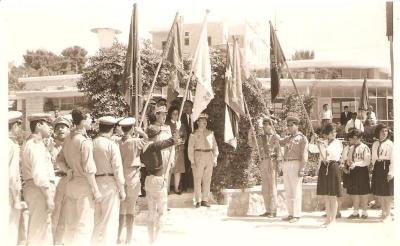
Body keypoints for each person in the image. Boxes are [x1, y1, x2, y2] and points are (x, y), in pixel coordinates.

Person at [56, 108, 102, 245]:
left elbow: (59, 160)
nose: (91, 121)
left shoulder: (68, 139)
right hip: (84, 185)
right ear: (82, 121)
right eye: (89, 118)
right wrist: (96, 190)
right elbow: (89, 170)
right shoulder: (84, 141)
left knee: (71, 225)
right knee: (84, 225)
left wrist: (68, 170)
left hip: (71, 184)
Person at [140, 125, 180, 244]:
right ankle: (156, 241)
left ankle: (151, 240)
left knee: (151, 213)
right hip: (158, 180)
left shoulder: (143, 149)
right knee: (162, 212)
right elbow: (174, 140)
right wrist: (177, 128)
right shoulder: (155, 146)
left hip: (148, 180)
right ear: (156, 136)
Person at [21, 113, 56, 245]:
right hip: (39, 191)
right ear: (39, 125)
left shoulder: (31, 143)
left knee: (41, 229)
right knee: (39, 231)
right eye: (48, 124)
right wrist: (48, 197)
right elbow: (39, 174)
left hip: (35, 189)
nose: (50, 128)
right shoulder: (35, 145)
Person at [91, 116, 126, 245]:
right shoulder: (111, 145)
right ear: (112, 128)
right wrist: (122, 190)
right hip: (109, 182)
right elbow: (117, 169)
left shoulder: (91, 143)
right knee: (110, 220)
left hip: (94, 183)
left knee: (96, 220)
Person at [272, 114, 308, 223]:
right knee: (288, 190)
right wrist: (274, 133)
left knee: (296, 190)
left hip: (296, 163)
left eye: (291, 125)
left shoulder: (302, 138)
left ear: (297, 126)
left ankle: (296, 215)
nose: (289, 127)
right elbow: (280, 142)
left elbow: (304, 155)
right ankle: (290, 213)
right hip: (286, 164)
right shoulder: (288, 138)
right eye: (288, 125)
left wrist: (302, 168)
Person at [117, 117, 147, 244]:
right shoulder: (135, 141)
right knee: (130, 209)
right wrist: (142, 132)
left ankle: (118, 236)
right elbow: (148, 141)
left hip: (120, 176)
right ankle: (128, 238)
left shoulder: (117, 141)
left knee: (121, 209)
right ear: (132, 128)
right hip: (132, 175)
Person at [309, 123, 343, 227]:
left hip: (333, 167)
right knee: (327, 196)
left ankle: (333, 220)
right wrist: (313, 139)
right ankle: (328, 219)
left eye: (335, 132)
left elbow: (331, 152)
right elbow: (312, 149)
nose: (334, 134)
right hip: (324, 168)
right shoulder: (323, 142)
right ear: (327, 134)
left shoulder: (338, 143)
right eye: (332, 132)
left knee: (333, 196)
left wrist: (322, 144)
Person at [248, 116, 281, 218]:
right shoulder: (261, 137)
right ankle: (268, 210)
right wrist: (250, 134)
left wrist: (278, 165)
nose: (265, 126)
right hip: (263, 161)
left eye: (267, 124)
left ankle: (273, 210)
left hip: (272, 161)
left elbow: (280, 152)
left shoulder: (276, 137)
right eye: (264, 124)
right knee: (265, 188)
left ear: (272, 125)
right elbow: (251, 144)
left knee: (272, 187)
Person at [188, 113, 219, 208]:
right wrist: (192, 161)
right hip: (199, 155)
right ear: (198, 122)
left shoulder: (210, 133)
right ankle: (198, 200)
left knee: (207, 178)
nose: (204, 122)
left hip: (209, 155)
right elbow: (190, 149)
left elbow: (215, 146)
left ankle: (205, 199)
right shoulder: (193, 134)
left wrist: (215, 158)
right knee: (197, 178)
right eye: (202, 121)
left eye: (205, 121)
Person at [50, 116, 72, 245]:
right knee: (54, 215)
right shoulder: (49, 146)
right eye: (58, 127)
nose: (60, 130)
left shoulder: (73, 146)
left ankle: (62, 241)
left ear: (69, 129)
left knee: (67, 215)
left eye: (63, 127)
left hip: (69, 181)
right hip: (56, 180)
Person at [148, 105, 175, 194]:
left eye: (165, 114)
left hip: (167, 154)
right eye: (162, 114)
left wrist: (172, 158)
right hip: (157, 156)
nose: (165, 117)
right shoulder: (151, 128)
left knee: (166, 177)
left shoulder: (167, 127)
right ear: (157, 115)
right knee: (158, 178)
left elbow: (172, 143)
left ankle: (164, 201)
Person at [345, 129, 371, 219]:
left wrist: (355, 164)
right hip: (353, 172)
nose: (353, 140)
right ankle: (355, 212)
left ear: (359, 138)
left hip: (362, 171)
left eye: (355, 138)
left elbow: (367, 161)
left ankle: (364, 212)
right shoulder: (351, 148)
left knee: (363, 192)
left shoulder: (365, 147)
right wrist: (348, 164)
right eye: (352, 138)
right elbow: (349, 159)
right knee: (354, 192)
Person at [8, 111, 25, 245]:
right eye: (19, 125)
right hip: (8, 195)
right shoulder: (12, 146)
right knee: (10, 232)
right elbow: (12, 176)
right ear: (14, 125)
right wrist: (16, 199)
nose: (20, 129)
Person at [371, 124, 393, 222]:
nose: (384, 133)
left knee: (387, 193)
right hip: (378, 167)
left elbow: (394, 159)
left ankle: (388, 214)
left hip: (386, 167)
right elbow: (374, 158)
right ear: (378, 132)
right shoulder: (375, 144)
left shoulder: (390, 144)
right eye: (382, 131)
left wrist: (391, 172)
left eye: (386, 131)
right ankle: (384, 212)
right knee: (381, 192)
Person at [166, 105, 187, 195]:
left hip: (179, 149)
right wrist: (174, 141)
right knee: (169, 169)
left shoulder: (181, 125)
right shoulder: (167, 125)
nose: (176, 116)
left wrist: (182, 140)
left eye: (177, 114)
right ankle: (166, 189)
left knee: (178, 170)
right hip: (170, 149)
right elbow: (167, 137)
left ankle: (176, 188)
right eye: (174, 114)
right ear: (170, 115)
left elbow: (185, 135)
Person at [181, 100, 194, 192]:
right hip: (185, 145)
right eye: (185, 106)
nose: (186, 107)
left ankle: (193, 184)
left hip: (196, 145)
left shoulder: (196, 117)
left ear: (192, 107)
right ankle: (184, 185)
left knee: (195, 164)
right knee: (185, 164)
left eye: (188, 106)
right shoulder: (181, 118)